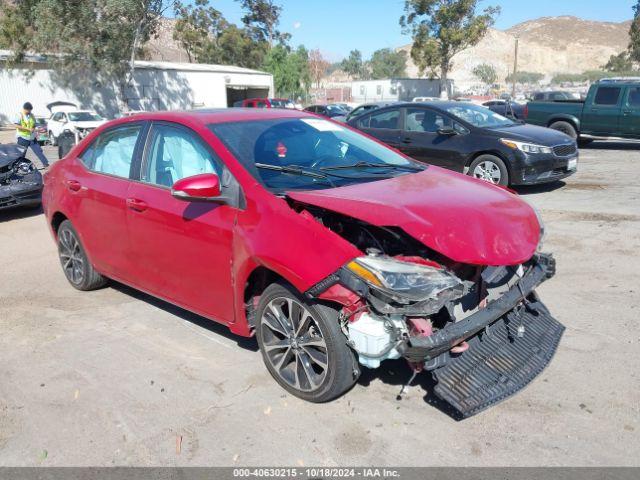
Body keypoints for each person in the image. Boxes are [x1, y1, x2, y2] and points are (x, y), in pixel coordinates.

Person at [14, 102, 49, 167]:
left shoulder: (31, 115)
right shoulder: (19, 115)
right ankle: (17, 166)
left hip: (32, 138)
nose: (29, 111)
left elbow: (34, 124)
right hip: (23, 138)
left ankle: (46, 164)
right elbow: (16, 125)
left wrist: (39, 129)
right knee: (21, 154)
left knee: (39, 151)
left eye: (30, 110)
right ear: (25, 109)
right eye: (28, 110)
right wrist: (28, 129)